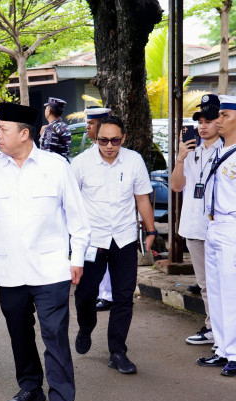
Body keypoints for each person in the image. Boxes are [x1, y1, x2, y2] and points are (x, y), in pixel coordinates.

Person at [0, 102, 90, 401]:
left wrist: (77, 257)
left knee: (55, 337)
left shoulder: (56, 166)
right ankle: (31, 387)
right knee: (19, 333)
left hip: (51, 270)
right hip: (10, 271)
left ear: (24, 133)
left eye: (4, 129)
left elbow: (77, 217)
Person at [71, 116, 157, 374]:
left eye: (115, 140)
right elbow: (71, 204)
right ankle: (86, 326)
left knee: (124, 297)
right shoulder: (81, 163)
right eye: (103, 140)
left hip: (124, 238)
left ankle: (117, 351)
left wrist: (150, 230)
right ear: (95, 138)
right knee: (85, 295)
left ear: (123, 139)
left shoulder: (133, 161)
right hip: (91, 240)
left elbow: (142, 198)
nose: (109, 146)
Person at [196, 96, 236, 377]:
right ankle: (222, 348)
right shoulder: (220, 151)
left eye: (224, 115)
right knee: (218, 293)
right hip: (214, 227)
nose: (218, 120)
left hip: (234, 229)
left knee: (234, 295)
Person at [170, 95, 223, 347]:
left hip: (218, 227)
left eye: (209, 120)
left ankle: (222, 329)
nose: (203, 126)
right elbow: (176, 186)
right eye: (200, 121)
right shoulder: (192, 153)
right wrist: (180, 158)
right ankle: (213, 327)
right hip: (194, 227)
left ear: (220, 122)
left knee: (221, 281)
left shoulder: (227, 151)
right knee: (204, 284)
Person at [82, 107, 115, 311]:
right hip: (91, 218)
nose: (88, 127)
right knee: (93, 258)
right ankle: (100, 293)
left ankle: (108, 295)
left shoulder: (114, 152)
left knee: (110, 261)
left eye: (91, 123)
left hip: (111, 219)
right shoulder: (88, 155)